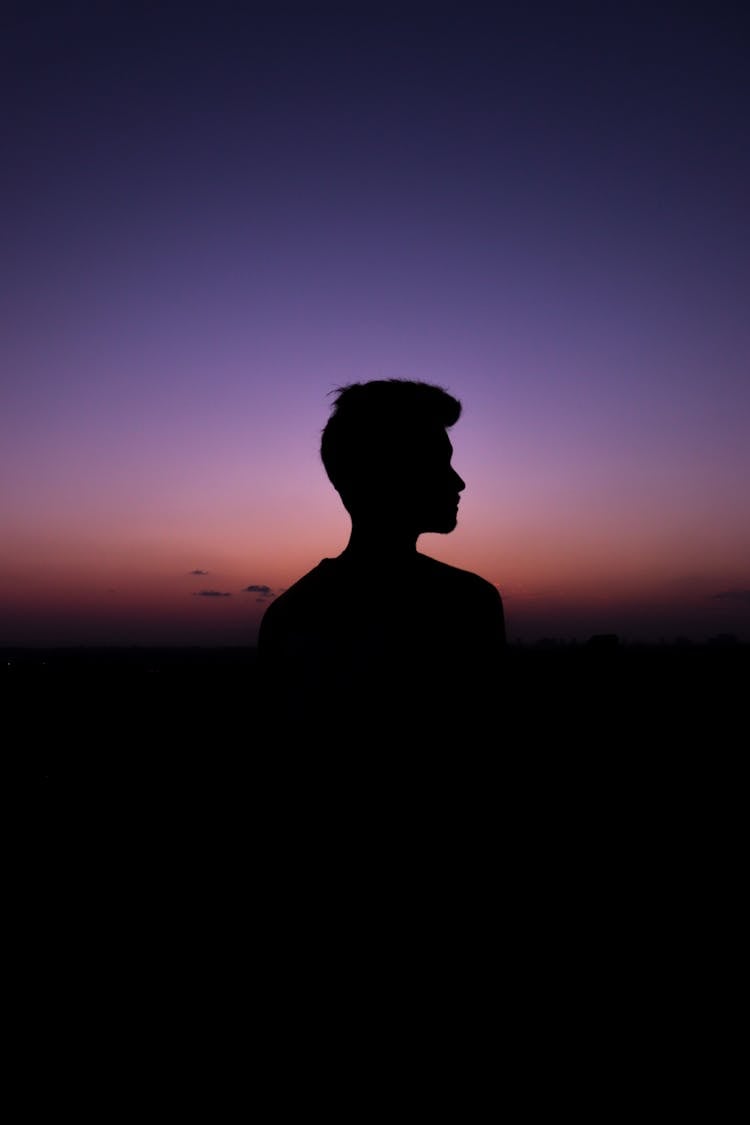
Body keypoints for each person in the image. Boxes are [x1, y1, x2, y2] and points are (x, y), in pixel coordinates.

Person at [257, 378, 506, 741]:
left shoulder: (290, 614)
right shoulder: (466, 603)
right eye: (437, 462)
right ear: (385, 472)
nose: (458, 481)